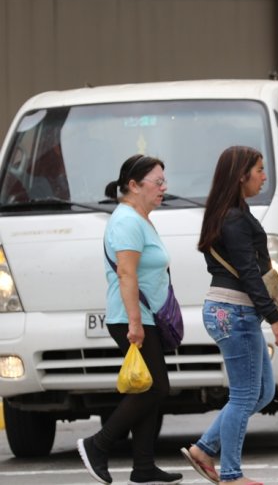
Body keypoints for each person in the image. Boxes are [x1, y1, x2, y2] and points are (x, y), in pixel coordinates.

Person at [181, 146, 278, 485]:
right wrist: (275, 317)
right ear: (241, 175)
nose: (264, 176)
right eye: (259, 169)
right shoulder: (234, 218)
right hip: (235, 311)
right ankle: (230, 474)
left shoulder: (231, 213)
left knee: (263, 391)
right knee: (245, 395)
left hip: (235, 311)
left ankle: (204, 448)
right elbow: (248, 272)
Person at [77, 154, 182, 485]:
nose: (164, 188)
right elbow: (126, 273)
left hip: (143, 317)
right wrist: (135, 323)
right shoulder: (126, 221)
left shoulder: (139, 218)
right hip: (132, 318)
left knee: (149, 385)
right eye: (158, 182)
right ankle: (98, 445)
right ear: (134, 185)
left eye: (164, 181)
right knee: (156, 387)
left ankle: (144, 466)